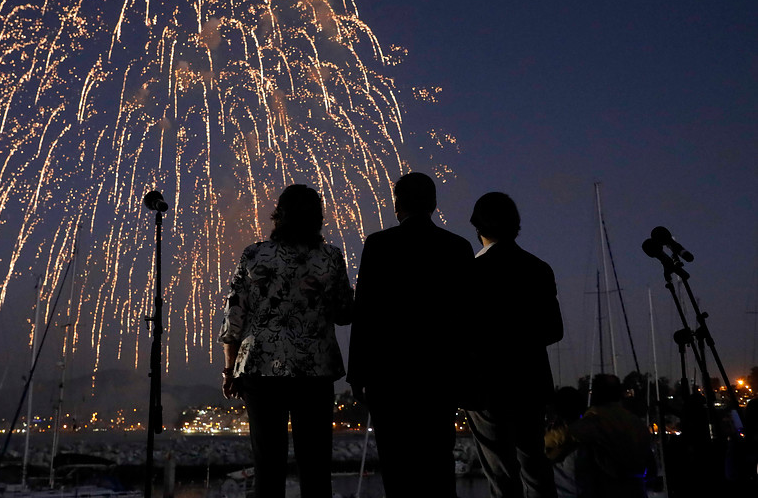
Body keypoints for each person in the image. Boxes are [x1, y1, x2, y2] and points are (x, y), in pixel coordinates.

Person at [218, 184, 353, 498]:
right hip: (315, 370)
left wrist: (229, 369)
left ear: (278, 216)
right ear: (317, 218)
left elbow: (234, 317)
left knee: (267, 465)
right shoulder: (331, 257)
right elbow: (345, 313)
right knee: (316, 467)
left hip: (260, 371)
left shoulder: (254, 254)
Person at [347, 171, 475, 498]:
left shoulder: (379, 245)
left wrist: (357, 374)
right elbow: (468, 318)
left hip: (389, 376)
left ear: (396, 205)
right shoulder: (458, 248)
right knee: (438, 462)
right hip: (440, 374)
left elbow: (365, 313)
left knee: (397, 465)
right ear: (433, 204)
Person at [465, 191, 564, 498]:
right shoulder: (538, 268)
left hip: (486, 385)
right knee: (535, 463)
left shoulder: (471, 272)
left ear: (478, 227)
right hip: (530, 381)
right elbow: (554, 329)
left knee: (500, 472)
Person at [568, 374, 652, 498]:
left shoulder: (592, 423)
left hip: (605, 490)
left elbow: (567, 438)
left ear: (595, 394)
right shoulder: (637, 423)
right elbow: (650, 465)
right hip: (637, 490)